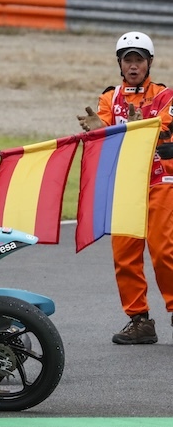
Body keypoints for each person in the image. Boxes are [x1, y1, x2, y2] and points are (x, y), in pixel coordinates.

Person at [77, 31, 173, 345]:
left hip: (160, 181)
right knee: (125, 256)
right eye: (127, 59)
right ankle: (140, 321)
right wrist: (102, 130)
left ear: (149, 63)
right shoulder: (110, 97)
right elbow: (103, 132)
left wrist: (140, 127)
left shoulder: (165, 95)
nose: (133, 66)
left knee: (164, 252)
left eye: (139, 60)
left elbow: (164, 125)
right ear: (120, 64)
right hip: (124, 185)